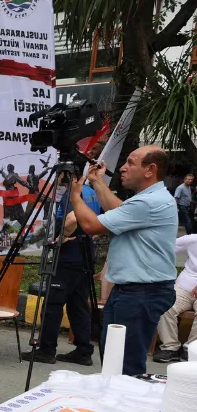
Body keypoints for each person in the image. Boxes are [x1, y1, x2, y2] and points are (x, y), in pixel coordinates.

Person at [70, 145, 178, 376]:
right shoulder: (150, 198)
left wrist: (75, 197)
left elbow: (90, 226)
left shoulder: (148, 202)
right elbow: (119, 210)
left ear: (150, 169)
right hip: (136, 291)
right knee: (116, 360)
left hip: (141, 293)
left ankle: (126, 407)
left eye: (130, 162)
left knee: (124, 366)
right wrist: (98, 182)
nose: (123, 168)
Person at [22, 186, 102, 366]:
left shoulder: (73, 191)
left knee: (52, 304)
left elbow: (73, 217)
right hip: (84, 256)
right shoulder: (90, 191)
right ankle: (83, 350)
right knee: (78, 305)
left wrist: (60, 236)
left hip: (68, 257)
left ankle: (47, 349)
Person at [154, 235, 197, 362]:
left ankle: (191, 349)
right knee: (165, 305)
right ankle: (170, 347)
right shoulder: (193, 239)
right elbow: (165, 248)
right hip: (183, 288)